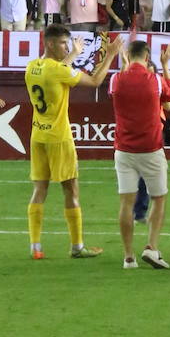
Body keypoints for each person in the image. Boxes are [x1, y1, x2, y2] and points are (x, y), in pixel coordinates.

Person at [25, 23, 120, 260]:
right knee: (71, 189)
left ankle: (35, 246)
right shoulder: (58, 70)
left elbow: (57, 69)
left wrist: (73, 54)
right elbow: (96, 81)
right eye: (63, 43)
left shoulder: (32, 67)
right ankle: (77, 246)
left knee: (39, 189)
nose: (67, 46)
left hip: (37, 135)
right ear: (49, 43)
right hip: (59, 137)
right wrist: (109, 55)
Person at [109, 39, 170, 270]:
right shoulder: (155, 80)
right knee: (159, 197)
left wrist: (124, 65)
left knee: (126, 202)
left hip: (124, 149)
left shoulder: (116, 79)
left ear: (128, 54)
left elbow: (115, 91)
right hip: (150, 148)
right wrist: (166, 66)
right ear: (147, 58)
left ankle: (128, 257)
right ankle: (151, 247)